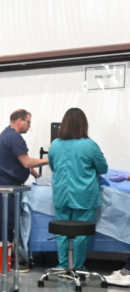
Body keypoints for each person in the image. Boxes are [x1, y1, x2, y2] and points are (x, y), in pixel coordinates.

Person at [48, 108, 108, 270]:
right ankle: (77, 267)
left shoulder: (54, 145)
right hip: (84, 195)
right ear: (84, 125)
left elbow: (53, 167)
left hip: (61, 194)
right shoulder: (90, 145)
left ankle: (63, 265)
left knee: (62, 232)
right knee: (81, 233)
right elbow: (103, 168)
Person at [0, 109, 48, 270]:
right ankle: (5, 262)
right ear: (20, 121)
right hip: (6, 185)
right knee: (6, 223)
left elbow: (20, 162)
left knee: (9, 222)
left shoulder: (8, 134)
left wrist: (37, 176)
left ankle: (10, 258)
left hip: (8, 183)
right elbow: (27, 162)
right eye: (29, 122)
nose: (30, 126)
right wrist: (50, 159)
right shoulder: (14, 137)